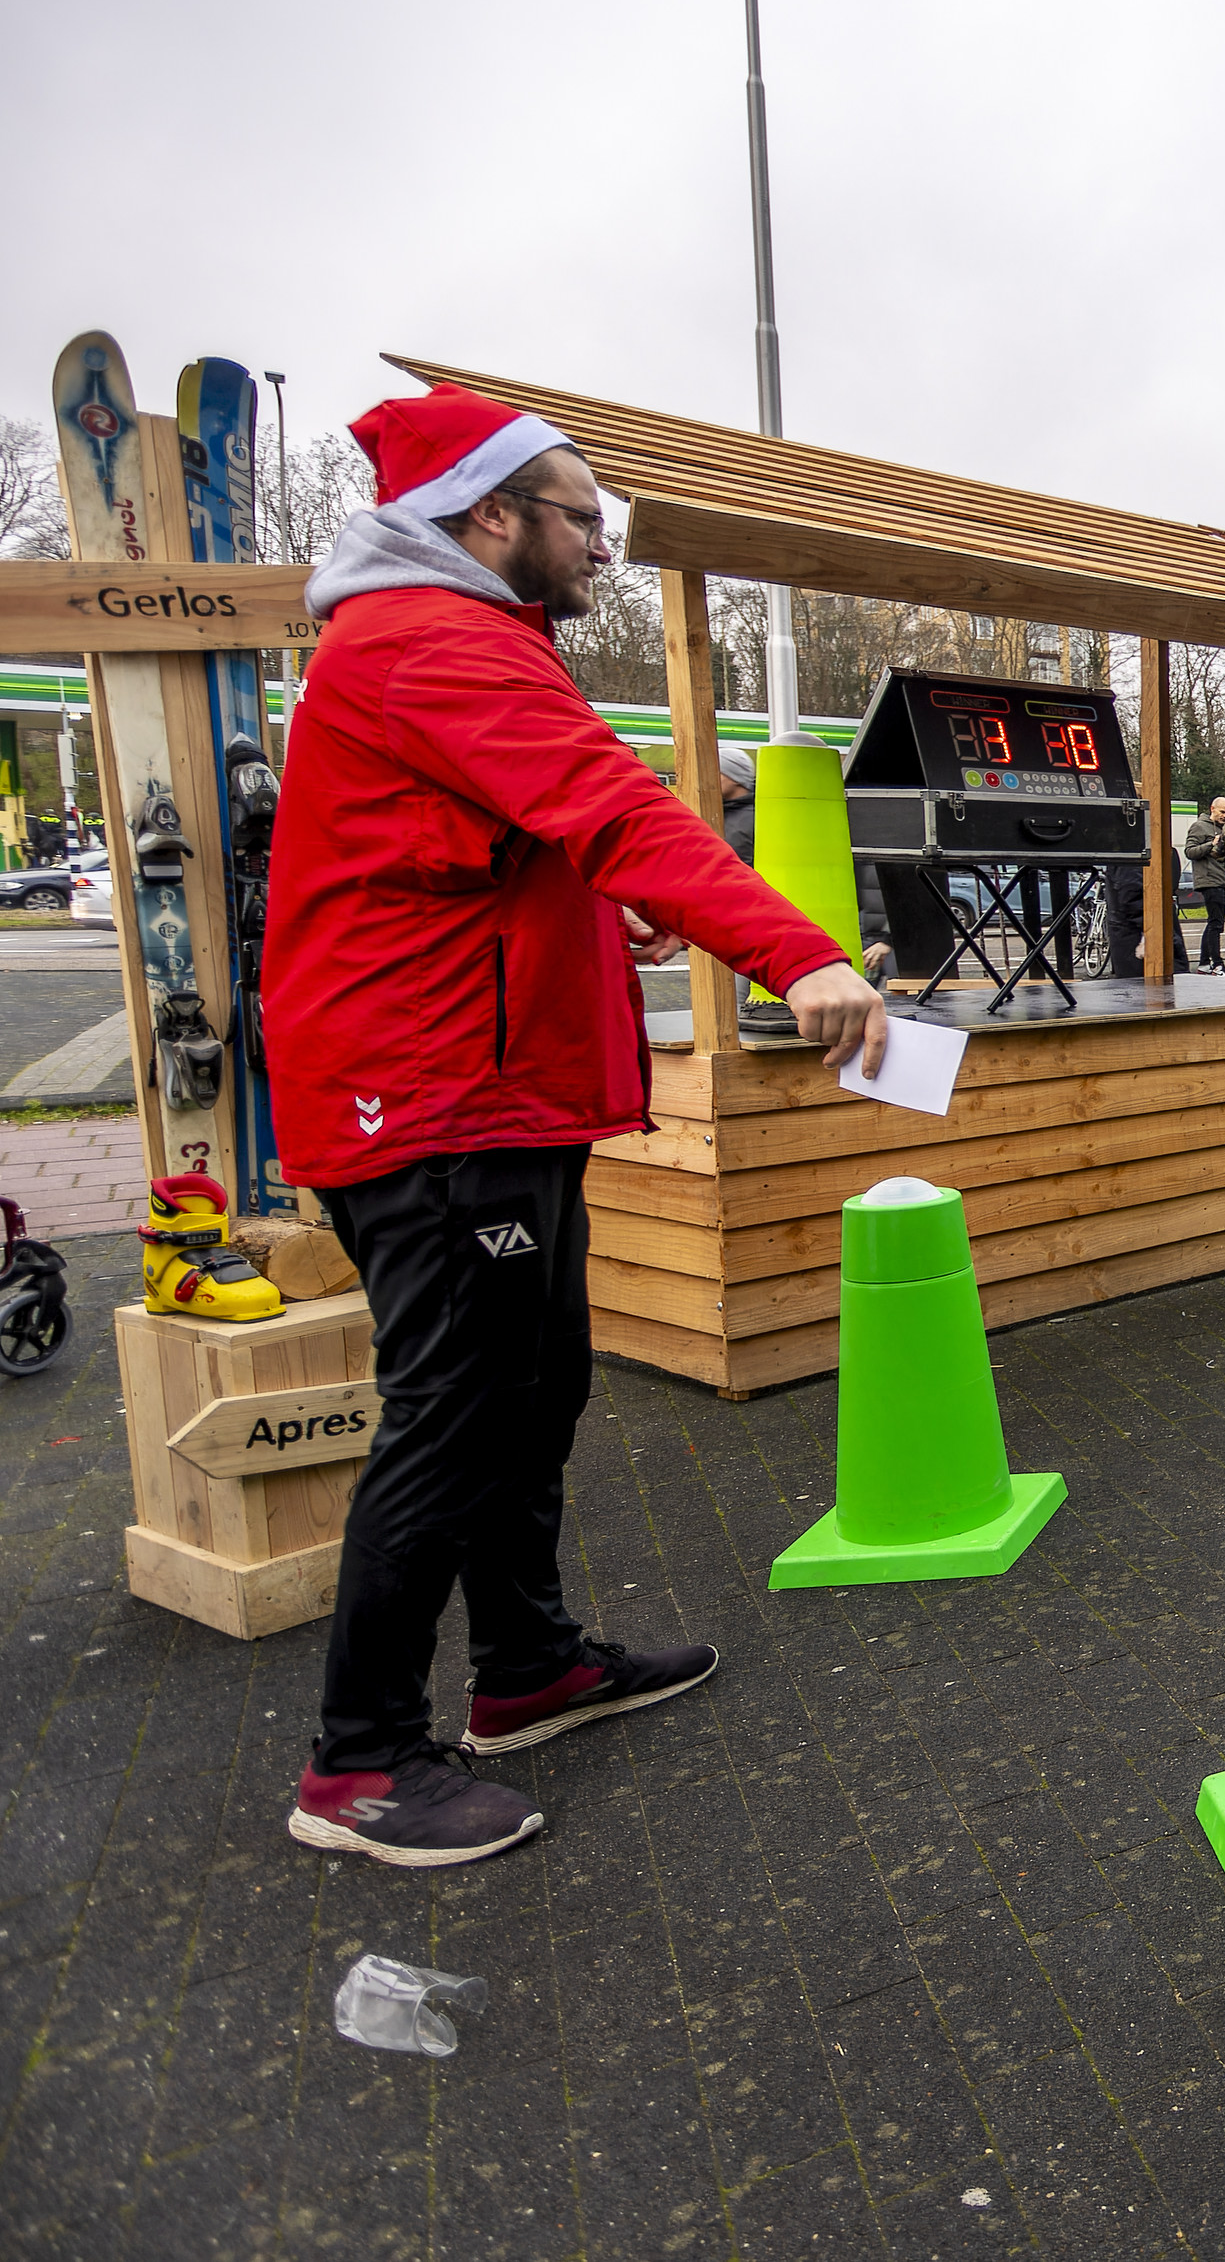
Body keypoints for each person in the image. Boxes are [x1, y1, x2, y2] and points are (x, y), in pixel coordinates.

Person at [265, 385, 891, 1870]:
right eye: (581, 516)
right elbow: (615, 807)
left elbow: (483, 858)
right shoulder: (431, 639)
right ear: (493, 517)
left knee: (533, 1386)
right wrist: (793, 949)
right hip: (429, 1099)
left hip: (491, 1090)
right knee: (455, 1409)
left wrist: (607, 925)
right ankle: (359, 1762)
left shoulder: (466, 641)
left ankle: (527, 1665)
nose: (600, 545)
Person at [1180, 796, 1225, 973]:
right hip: (1209, 880)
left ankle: (1205, 963)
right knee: (1215, 922)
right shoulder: (1199, 826)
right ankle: (1217, 963)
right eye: (1222, 812)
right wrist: (1210, 844)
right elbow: (1189, 851)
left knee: (1216, 923)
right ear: (1212, 809)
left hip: (1222, 881)